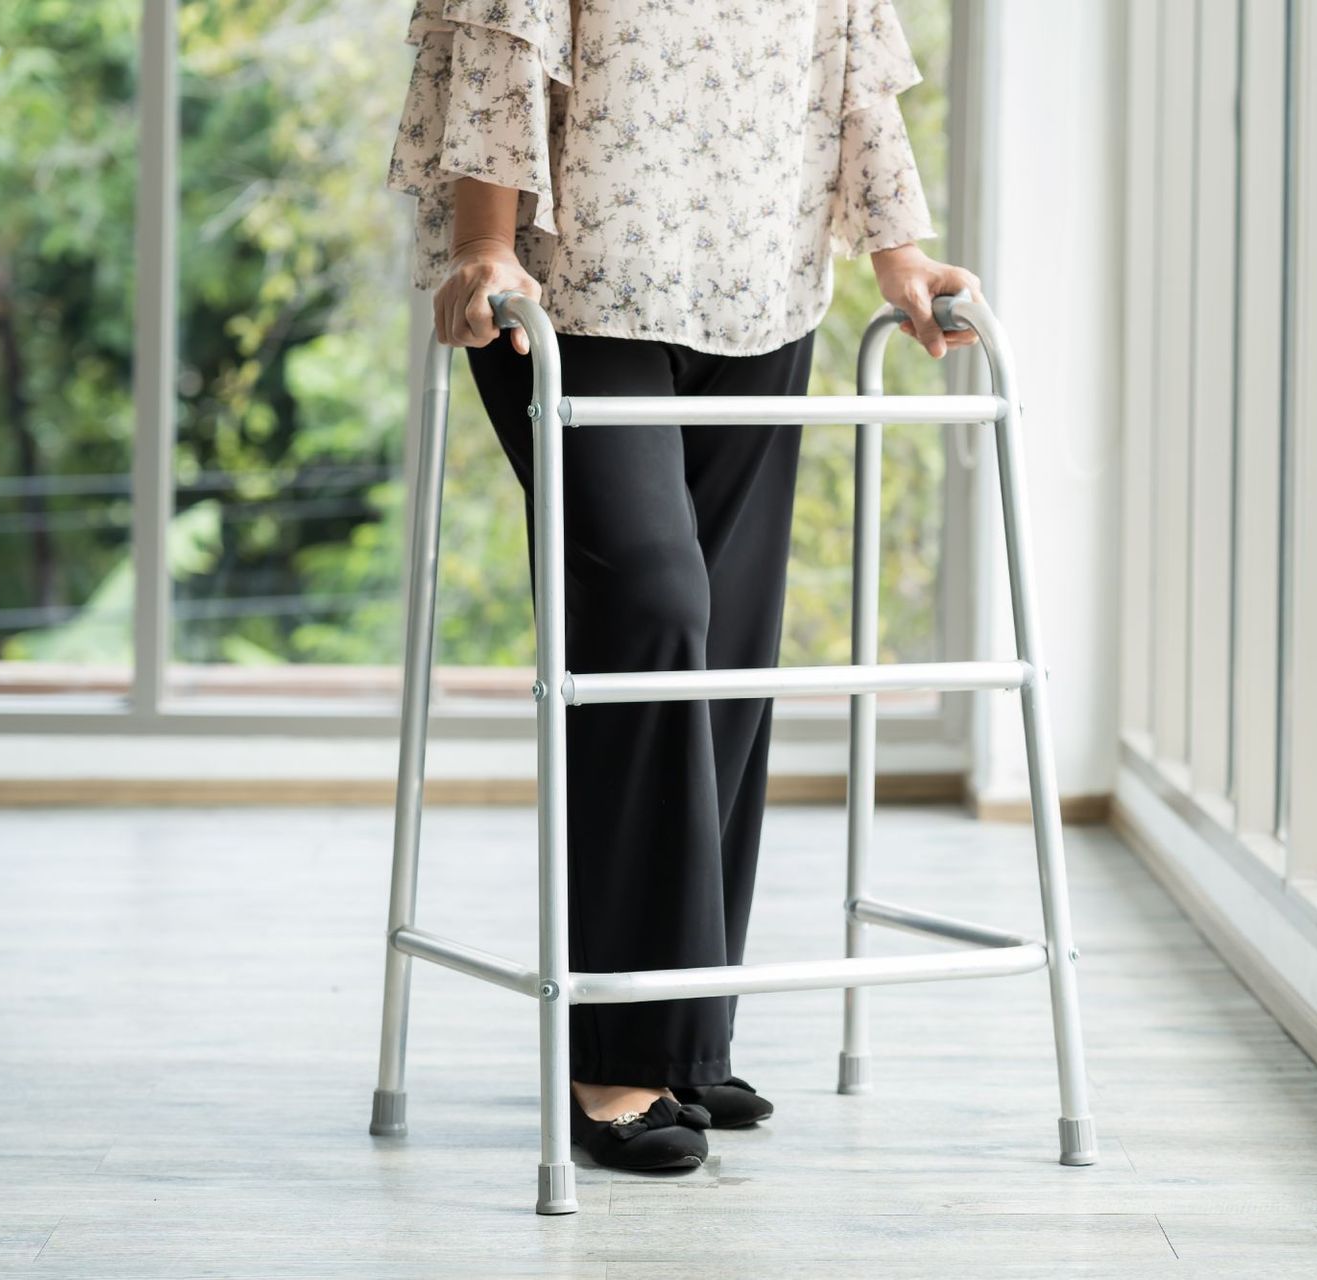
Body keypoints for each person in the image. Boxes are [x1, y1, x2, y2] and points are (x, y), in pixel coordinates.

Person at [385, 0, 982, 1173]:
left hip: (760, 285)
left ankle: (684, 1033)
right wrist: (485, 239)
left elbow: (851, 58)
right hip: (569, 289)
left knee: (729, 648)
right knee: (654, 608)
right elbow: (501, 37)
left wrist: (899, 254)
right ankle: (616, 1048)